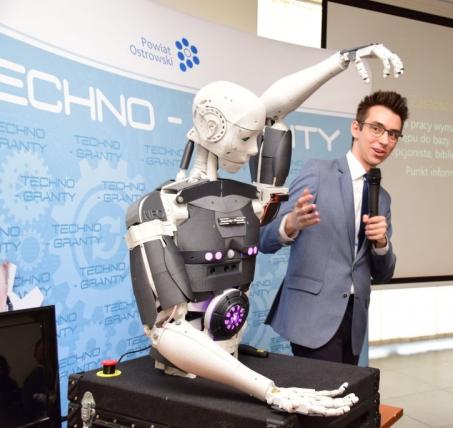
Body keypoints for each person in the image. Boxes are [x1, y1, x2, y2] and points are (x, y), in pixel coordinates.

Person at [125, 44, 403, 416]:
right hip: (204, 362)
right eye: (245, 138)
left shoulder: (253, 201)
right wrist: (268, 390)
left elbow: (270, 113)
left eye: (394, 134)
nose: (257, 150)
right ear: (357, 127)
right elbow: (167, 328)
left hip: (322, 330)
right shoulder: (159, 208)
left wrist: (343, 59)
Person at [260, 91, 408, 365]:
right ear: (356, 128)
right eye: (377, 128)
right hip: (312, 316)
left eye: (393, 134)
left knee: (347, 391)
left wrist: (381, 244)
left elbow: (383, 273)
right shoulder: (318, 172)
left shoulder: (383, 198)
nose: (385, 140)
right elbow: (264, 239)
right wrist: (290, 224)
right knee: (318, 392)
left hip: (354, 321)